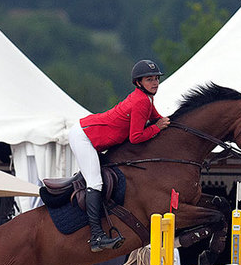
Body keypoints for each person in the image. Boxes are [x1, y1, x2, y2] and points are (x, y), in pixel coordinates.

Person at [68, 59, 170, 252]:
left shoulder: (146, 98)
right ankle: (97, 236)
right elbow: (136, 136)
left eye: (156, 78)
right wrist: (157, 128)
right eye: (150, 79)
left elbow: (157, 118)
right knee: (95, 182)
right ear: (138, 83)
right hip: (84, 136)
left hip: (92, 133)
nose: (155, 83)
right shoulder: (141, 101)